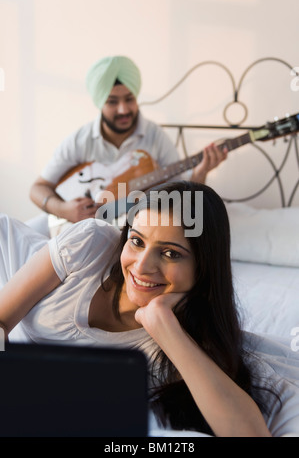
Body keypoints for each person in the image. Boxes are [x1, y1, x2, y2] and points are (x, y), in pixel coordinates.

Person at [0, 180, 294, 437]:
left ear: (204, 268)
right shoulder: (90, 243)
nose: (141, 266)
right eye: (137, 241)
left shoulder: (185, 345)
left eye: (170, 253)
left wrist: (164, 326)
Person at [28, 55, 227, 236]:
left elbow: (183, 201)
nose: (123, 109)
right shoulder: (81, 140)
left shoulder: (156, 137)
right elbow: (37, 188)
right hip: (81, 231)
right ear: (100, 103)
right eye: (113, 101)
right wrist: (63, 209)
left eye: (129, 99)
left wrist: (201, 173)